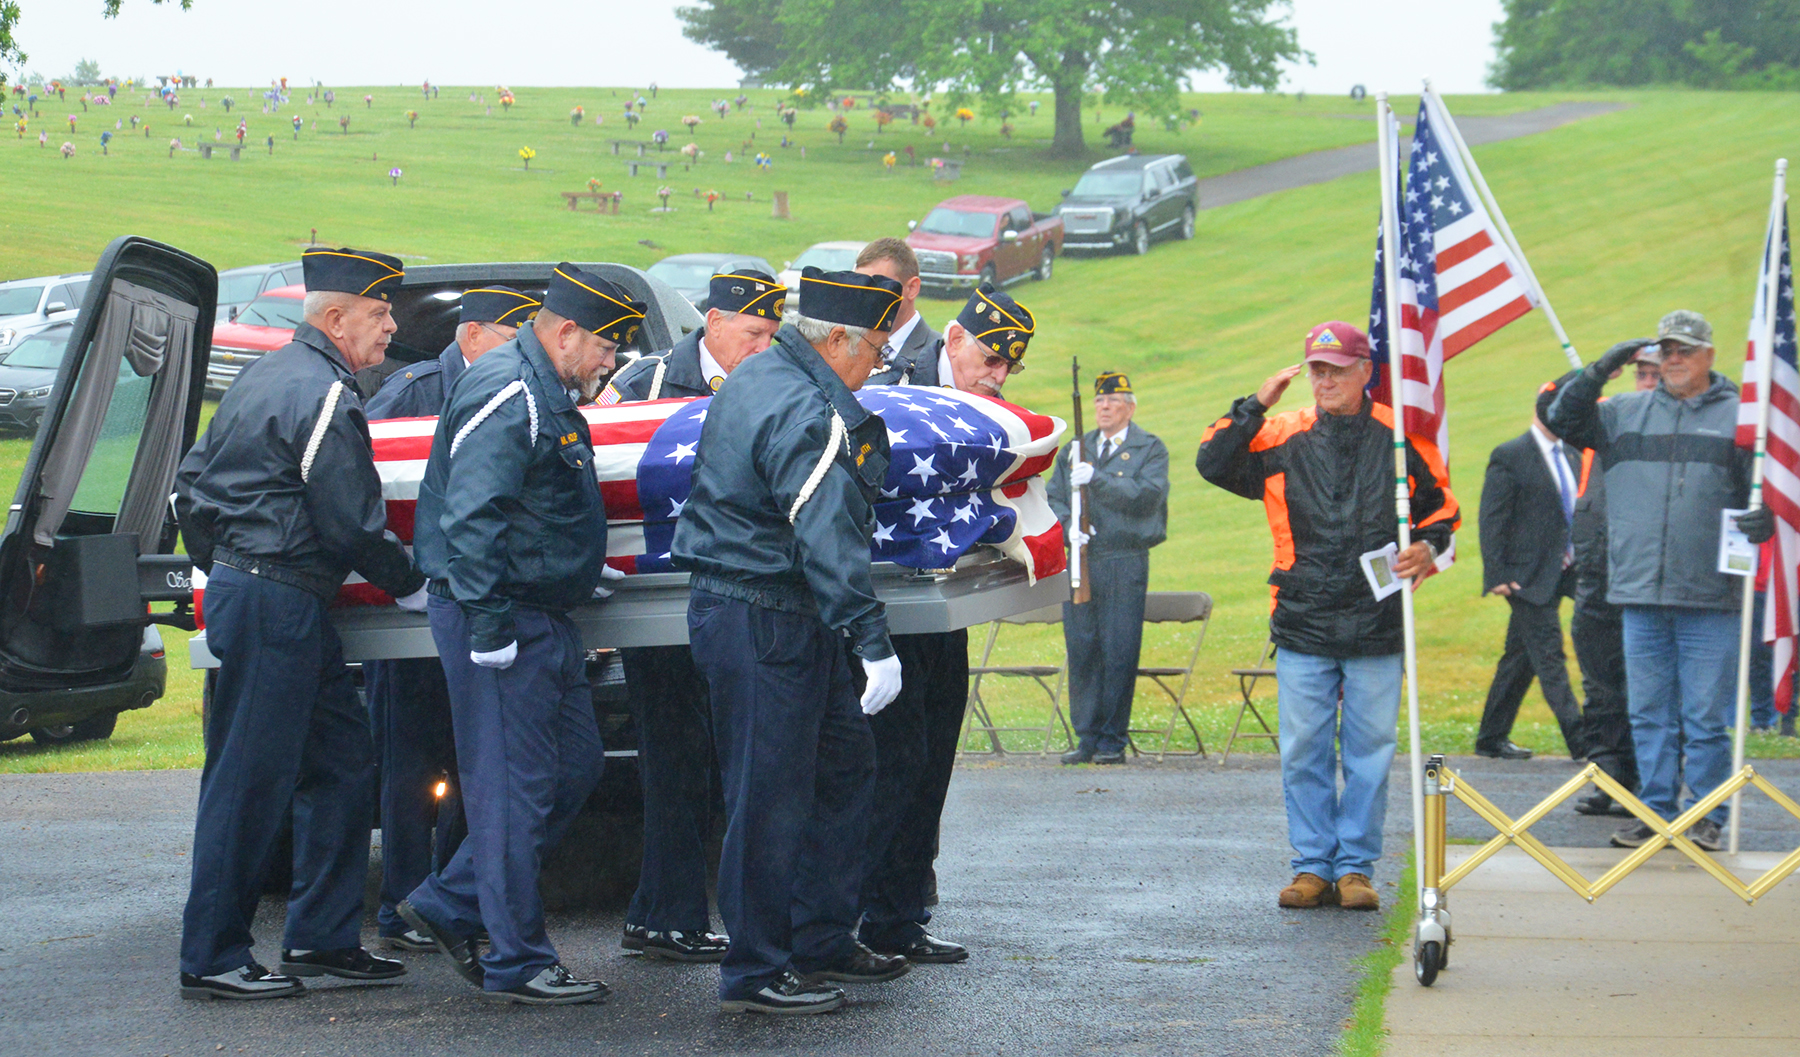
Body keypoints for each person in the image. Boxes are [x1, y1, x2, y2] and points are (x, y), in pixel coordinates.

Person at [173, 246, 427, 1000]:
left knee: (345, 763)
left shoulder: (263, 378)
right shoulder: (321, 392)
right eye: (380, 314)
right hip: (276, 600)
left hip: (275, 597)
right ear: (337, 318)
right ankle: (211, 956)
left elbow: (192, 485)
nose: (391, 329)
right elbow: (349, 519)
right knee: (250, 780)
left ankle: (322, 938)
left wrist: (226, 563)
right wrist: (411, 581)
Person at [396, 264, 642, 1005]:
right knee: (513, 792)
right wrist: (489, 620)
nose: (609, 364)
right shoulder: (511, 390)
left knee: (572, 766)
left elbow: (534, 500)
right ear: (566, 332)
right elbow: (473, 514)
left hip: (542, 614)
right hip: (502, 617)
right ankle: (517, 959)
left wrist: (575, 565)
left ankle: (449, 901)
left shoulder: (542, 389)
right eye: (605, 348)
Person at [671, 266, 909, 1015]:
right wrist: (872, 638)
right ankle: (755, 968)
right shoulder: (808, 408)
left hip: (774, 609)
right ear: (836, 340)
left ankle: (818, 934)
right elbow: (826, 532)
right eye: (875, 350)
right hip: (763, 612)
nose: (878, 366)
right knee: (767, 795)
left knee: (843, 767)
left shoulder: (761, 373)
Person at [1196, 321, 1458, 911]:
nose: (1325, 380)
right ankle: (1312, 866)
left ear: (1366, 371)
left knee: (1370, 752)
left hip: (1377, 621)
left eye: (1337, 370)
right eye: (1316, 370)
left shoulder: (1400, 438)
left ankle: (1356, 868)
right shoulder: (1281, 435)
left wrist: (1427, 547)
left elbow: (1442, 512)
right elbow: (1212, 462)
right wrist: (1255, 403)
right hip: (1303, 617)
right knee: (1302, 750)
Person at [599, 268, 784, 963]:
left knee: (708, 761)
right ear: (714, 323)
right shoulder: (644, 382)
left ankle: (664, 910)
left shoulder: (768, 384)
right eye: (753, 333)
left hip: (727, 594)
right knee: (675, 757)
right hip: (656, 602)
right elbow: (605, 465)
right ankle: (667, 912)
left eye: (772, 336)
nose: (762, 348)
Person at [855, 281, 1038, 966]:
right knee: (892, 763)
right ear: (954, 338)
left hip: (944, 609)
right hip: (886, 609)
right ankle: (855, 911)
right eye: (990, 359)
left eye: (1009, 367)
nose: (997, 377)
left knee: (931, 763)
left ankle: (901, 914)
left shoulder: (987, 415)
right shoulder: (890, 387)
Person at [1548, 311, 1771, 852]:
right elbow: (1561, 417)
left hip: (1711, 595)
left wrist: (1766, 517)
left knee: (1705, 718)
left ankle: (1709, 815)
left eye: (1685, 350)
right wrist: (1599, 369)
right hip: (1639, 591)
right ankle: (1654, 812)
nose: (1674, 359)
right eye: (1666, 350)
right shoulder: (1622, 412)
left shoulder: (1744, 417)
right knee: (1648, 714)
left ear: (1708, 355)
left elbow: (1770, 490)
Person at [360, 286, 540, 952]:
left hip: (477, 603)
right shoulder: (410, 393)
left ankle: (453, 900)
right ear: (472, 336)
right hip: (412, 610)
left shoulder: (523, 386)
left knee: (472, 765)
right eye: (512, 338)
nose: (523, 351)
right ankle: (399, 903)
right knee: (409, 763)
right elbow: (366, 484)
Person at [1547, 352, 1660, 817]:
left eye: (1655, 375)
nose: (1647, 382)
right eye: (1641, 373)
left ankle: (1650, 782)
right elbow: (1552, 407)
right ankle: (1609, 777)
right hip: (1596, 573)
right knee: (1600, 684)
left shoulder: (1677, 427)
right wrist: (1593, 372)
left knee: (1647, 686)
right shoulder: (1608, 418)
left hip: (1647, 575)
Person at [1046, 371, 1171, 765]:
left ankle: (1112, 740)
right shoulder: (1075, 449)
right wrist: (1069, 526)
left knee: (1119, 648)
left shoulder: (1148, 448)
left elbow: (1148, 495)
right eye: (1100, 401)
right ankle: (1086, 736)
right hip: (1082, 558)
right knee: (1082, 646)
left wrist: (1097, 480)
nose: (1104, 407)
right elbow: (1053, 497)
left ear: (1129, 408)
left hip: (1123, 558)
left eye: (1113, 401)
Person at [1472, 392, 1590, 762]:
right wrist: (1496, 573)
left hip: (1567, 570)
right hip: (1525, 577)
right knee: (1549, 654)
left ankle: (1491, 737)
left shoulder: (1573, 454)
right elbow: (1492, 518)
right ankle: (1583, 742)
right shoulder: (1510, 454)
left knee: (1520, 657)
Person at [855, 237, 938, 378]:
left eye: (878, 287)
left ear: (912, 288)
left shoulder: (936, 357)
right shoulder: (850, 349)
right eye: (860, 288)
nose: (866, 298)